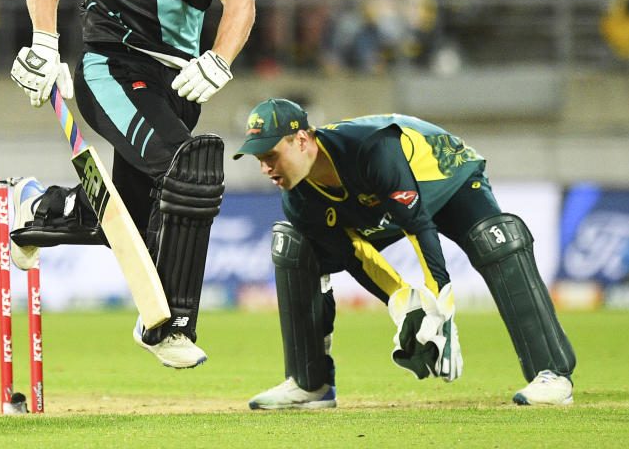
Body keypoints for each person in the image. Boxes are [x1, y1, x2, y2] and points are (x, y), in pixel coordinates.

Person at [9, 0, 254, 369]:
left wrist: (219, 60)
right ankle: (168, 326)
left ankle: (40, 209)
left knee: (125, 223)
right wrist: (45, 43)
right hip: (109, 67)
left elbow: (241, 1)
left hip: (178, 81)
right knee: (190, 167)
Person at [233, 98, 576, 409]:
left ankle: (552, 374)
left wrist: (440, 306)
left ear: (303, 140)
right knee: (296, 247)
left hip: (447, 181)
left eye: (270, 156)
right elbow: (355, 254)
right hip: (378, 206)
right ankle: (310, 385)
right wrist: (404, 304)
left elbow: (417, 225)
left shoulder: (369, 149)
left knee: (496, 241)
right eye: (259, 160)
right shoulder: (298, 198)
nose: (265, 169)